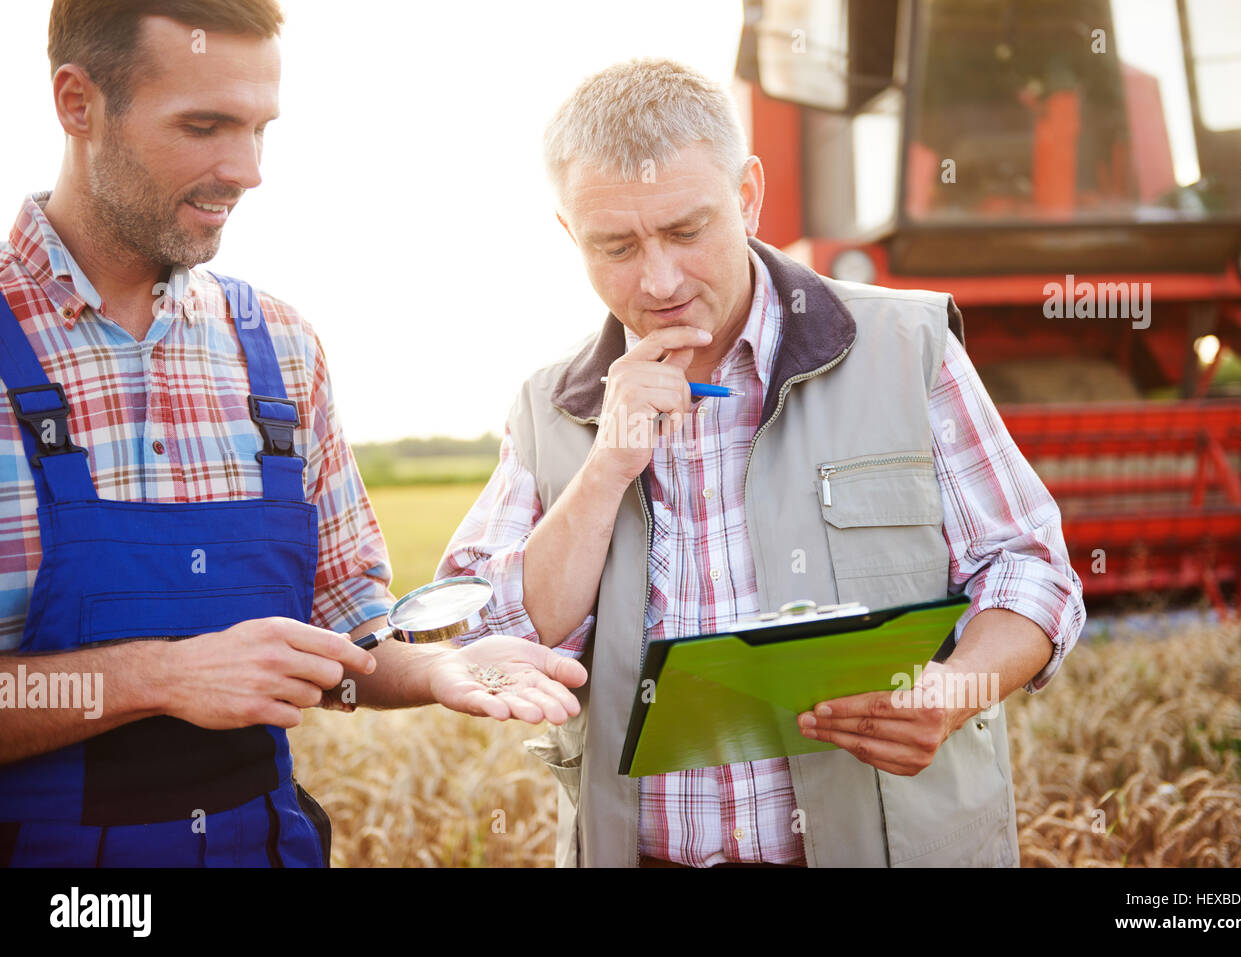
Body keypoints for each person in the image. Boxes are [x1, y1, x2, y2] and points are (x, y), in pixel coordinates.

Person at [437, 58, 1086, 868]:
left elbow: (1030, 568)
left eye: (686, 231)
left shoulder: (907, 347)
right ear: (570, 235)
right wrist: (606, 468)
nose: (660, 279)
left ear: (747, 196)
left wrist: (953, 692)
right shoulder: (548, 407)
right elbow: (489, 638)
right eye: (617, 246)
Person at [0, 0, 585, 868]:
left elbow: (345, 631)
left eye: (258, 128)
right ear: (77, 103)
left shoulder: (278, 347)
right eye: (203, 126)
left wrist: (434, 670)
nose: (245, 169)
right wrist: (161, 676)